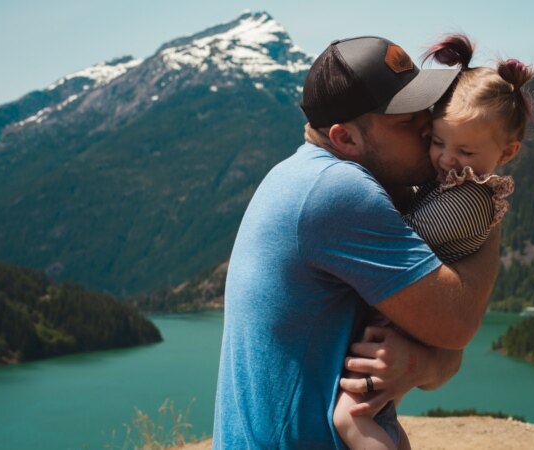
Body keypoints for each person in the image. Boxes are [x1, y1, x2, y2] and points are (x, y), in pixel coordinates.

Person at [212, 35, 502, 449]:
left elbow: (444, 348)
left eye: (425, 109)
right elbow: (456, 322)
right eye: (406, 120)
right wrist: (486, 194)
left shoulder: (302, 173)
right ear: (345, 138)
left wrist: (421, 363)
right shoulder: (337, 191)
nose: (428, 127)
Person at [332, 34, 534, 450]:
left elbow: (405, 236)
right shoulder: (459, 182)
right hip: (409, 314)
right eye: (437, 142)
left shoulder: (469, 199)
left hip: (403, 319)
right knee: (378, 414)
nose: (445, 159)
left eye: (463, 150)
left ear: (508, 151)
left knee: (350, 417)